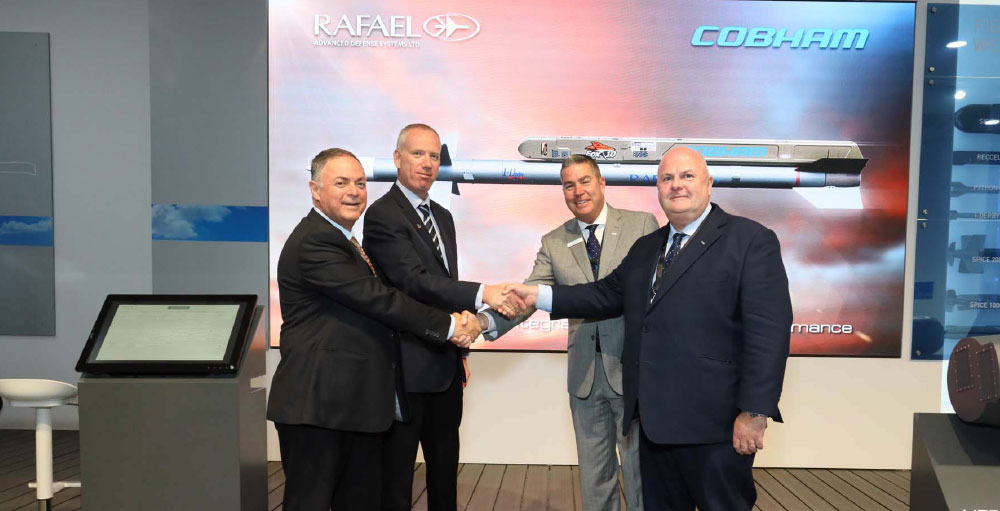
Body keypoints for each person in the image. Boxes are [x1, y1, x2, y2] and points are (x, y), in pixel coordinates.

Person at [506, 146, 792, 511]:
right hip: (654, 429)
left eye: (687, 176)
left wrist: (754, 412)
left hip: (716, 429)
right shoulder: (647, 247)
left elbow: (768, 334)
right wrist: (537, 295)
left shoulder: (750, 240)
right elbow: (602, 295)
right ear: (657, 188)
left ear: (709, 183)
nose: (677, 185)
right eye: (667, 178)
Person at [266, 148, 481, 511]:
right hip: (318, 408)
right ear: (315, 190)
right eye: (341, 183)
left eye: (360, 183)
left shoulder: (346, 242)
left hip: (353, 406)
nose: (354, 192)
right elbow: (380, 300)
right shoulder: (315, 241)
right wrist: (449, 325)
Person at [483, 154, 656, 511]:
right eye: (568, 185)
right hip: (584, 378)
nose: (578, 191)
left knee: (641, 472)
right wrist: (482, 323)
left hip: (633, 371)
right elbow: (528, 297)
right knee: (594, 477)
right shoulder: (553, 242)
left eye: (585, 181)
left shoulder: (642, 225)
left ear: (602, 183)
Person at [363, 123, 520, 511]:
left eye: (434, 156)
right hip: (405, 370)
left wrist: (461, 345)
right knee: (397, 481)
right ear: (397, 158)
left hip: (445, 366)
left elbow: (443, 285)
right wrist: (483, 293)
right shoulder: (383, 215)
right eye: (418, 154)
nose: (427, 163)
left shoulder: (443, 216)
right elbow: (414, 281)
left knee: (445, 476)